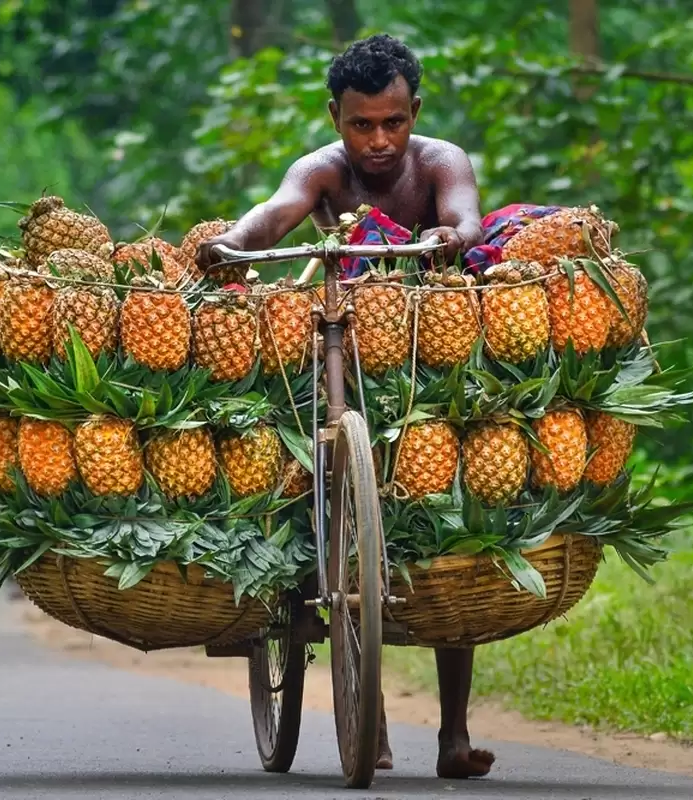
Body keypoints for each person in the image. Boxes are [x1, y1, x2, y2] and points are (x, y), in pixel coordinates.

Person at [196, 34, 496, 780]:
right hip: (340, 346)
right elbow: (272, 217)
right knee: (303, 475)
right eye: (362, 124)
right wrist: (229, 245)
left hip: (431, 353)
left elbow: (467, 220)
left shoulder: (439, 161)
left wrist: (449, 238)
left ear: (414, 111)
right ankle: (371, 723)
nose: (379, 140)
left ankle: (453, 733)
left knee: (446, 528)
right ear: (336, 117)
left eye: (393, 121)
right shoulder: (323, 173)